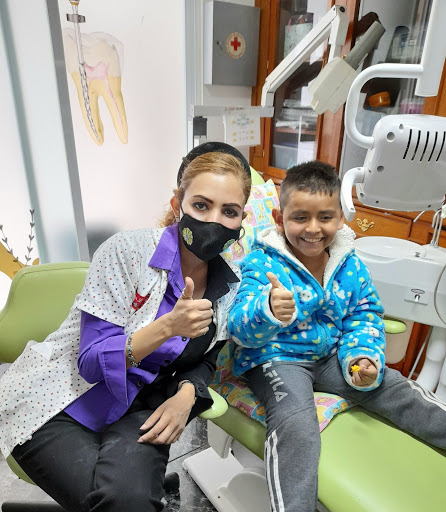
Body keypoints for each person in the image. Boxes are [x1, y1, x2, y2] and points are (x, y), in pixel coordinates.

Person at [0, 142, 251, 512]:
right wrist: (168, 327)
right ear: (177, 204)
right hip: (58, 400)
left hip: (141, 409)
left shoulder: (231, 284)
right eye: (201, 205)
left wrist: (185, 396)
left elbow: (208, 358)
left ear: (241, 219)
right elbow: (90, 363)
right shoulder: (126, 253)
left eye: (229, 211)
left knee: (128, 501)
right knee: (124, 503)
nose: (214, 221)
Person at [228, 160, 446, 512]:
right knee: (296, 423)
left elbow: (364, 315)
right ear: (279, 218)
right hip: (275, 358)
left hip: (330, 356)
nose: (313, 228)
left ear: (341, 218)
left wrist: (363, 357)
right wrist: (266, 309)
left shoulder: (350, 264)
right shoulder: (261, 263)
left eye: (325, 217)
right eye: (300, 217)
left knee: (393, 386)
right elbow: (238, 328)